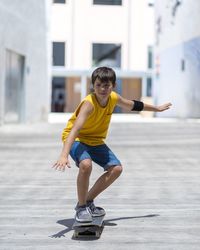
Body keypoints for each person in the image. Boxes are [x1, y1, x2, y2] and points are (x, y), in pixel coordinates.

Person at [53, 66, 172, 223]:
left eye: (106, 86)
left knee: (116, 169)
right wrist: (63, 155)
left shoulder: (113, 98)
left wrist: (156, 108)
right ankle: (81, 208)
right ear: (93, 86)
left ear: (113, 86)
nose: (102, 89)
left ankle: (87, 201)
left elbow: (133, 105)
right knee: (86, 165)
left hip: (96, 140)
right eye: (98, 85)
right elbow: (74, 129)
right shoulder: (89, 104)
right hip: (77, 139)